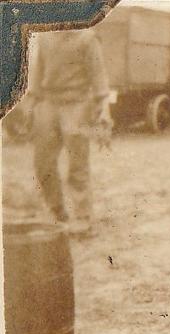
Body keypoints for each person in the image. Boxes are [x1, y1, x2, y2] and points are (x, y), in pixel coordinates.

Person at [27, 28, 111, 234]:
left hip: (77, 103)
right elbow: (37, 75)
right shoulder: (45, 37)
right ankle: (56, 211)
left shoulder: (87, 38)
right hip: (48, 102)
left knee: (77, 164)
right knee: (42, 163)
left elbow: (99, 79)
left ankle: (83, 218)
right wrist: (31, 106)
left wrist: (104, 112)